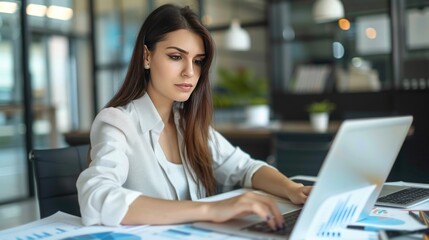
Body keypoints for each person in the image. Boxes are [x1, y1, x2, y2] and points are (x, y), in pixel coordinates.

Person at [76, 3, 311, 231]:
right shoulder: (118, 123)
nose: (190, 71)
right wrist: (210, 210)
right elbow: (96, 198)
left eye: (198, 61)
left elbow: (246, 168)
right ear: (146, 57)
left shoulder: (187, 123)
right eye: (176, 57)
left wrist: (292, 189)